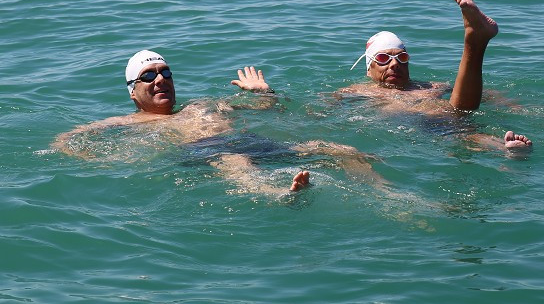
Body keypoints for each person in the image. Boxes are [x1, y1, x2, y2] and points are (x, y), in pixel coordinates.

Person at [54, 50, 386, 201]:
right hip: (204, 151)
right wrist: (90, 157)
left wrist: (266, 93)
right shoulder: (131, 120)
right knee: (237, 163)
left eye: (166, 72)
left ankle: (386, 194)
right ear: (133, 91)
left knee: (339, 149)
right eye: (149, 76)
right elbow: (69, 138)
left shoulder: (202, 105)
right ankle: (279, 195)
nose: (160, 79)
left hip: (247, 140)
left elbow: (269, 112)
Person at [336, 0, 532, 154]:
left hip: (435, 122)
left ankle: (475, 38)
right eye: (383, 59)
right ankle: (505, 147)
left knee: (458, 127)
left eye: (401, 58)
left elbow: (480, 93)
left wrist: (509, 105)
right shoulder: (355, 91)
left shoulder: (430, 86)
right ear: (369, 70)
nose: (394, 64)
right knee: (464, 132)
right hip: (430, 122)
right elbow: (323, 110)